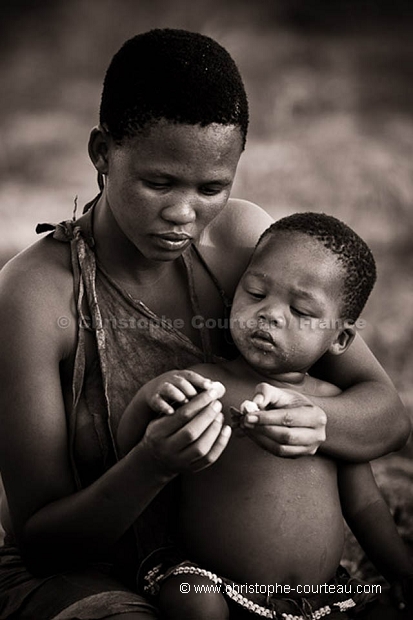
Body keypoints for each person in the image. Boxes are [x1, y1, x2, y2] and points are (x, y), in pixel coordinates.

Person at [0, 28, 409, 620]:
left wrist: (315, 422)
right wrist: (151, 465)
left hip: (241, 578)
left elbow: (385, 414)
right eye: (158, 183)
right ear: (101, 153)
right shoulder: (35, 297)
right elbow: (43, 544)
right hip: (91, 577)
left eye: (213, 187)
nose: (184, 214)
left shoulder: (242, 242)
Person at [118, 213, 413, 620]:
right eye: (256, 293)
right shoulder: (201, 385)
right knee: (192, 597)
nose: (271, 314)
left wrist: (401, 570)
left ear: (340, 338)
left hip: (318, 600)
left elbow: (364, 505)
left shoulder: (328, 410)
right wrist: (149, 399)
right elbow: (130, 449)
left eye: (302, 311)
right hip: (217, 584)